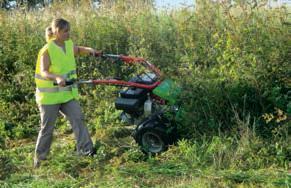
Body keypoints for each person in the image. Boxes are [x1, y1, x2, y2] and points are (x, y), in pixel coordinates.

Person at [34, 18, 101, 168]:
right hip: (49, 97)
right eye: (65, 31)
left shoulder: (68, 44)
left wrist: (91, 51)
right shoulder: (47, 50)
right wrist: (57, 77)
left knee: (78, 119)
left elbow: (78, 50)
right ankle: (40, 160)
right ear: (57, 31)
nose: (68, 33)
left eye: (69, 30)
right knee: (47, 129)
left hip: (67, 94)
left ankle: (86, 151)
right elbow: (44, 71)